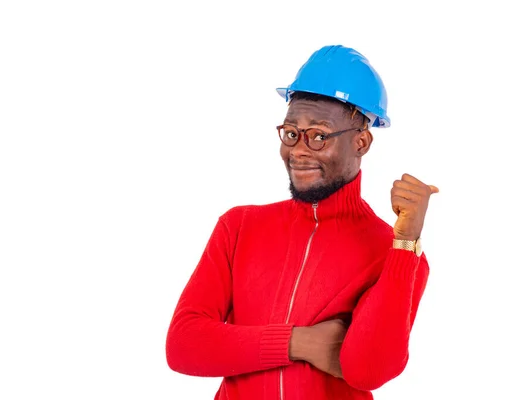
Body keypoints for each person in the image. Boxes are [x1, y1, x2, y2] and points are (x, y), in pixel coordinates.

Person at [165, 44, 438, 400]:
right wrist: (299, 342)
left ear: (361, 141)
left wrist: (405, 245)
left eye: (319, 135)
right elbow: (184, 346)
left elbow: (368, 370)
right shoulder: (239, 227)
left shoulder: (394, 253)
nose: (298, 150)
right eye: (291, 133)